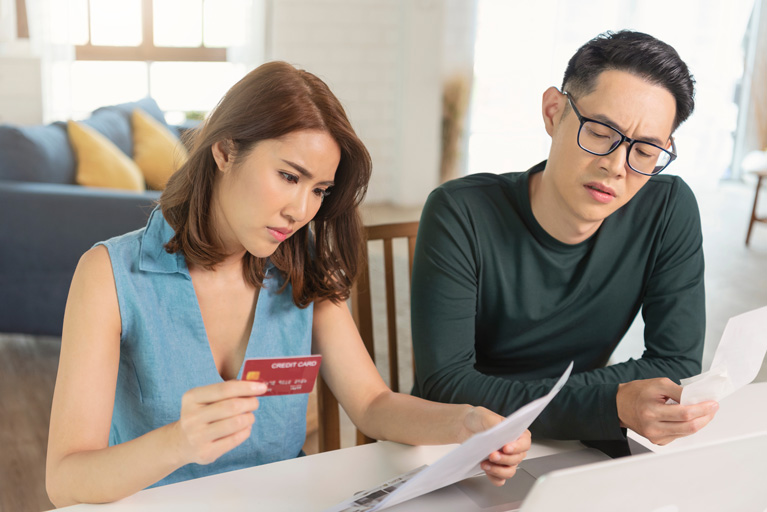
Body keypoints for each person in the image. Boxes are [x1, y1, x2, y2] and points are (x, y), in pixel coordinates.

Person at [45, 61, 531, 507]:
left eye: (318, 190)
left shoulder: (303, 271)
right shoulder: (110, 274)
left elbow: (372, 404)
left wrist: (466, 423)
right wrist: (176, 443)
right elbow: (65, 479)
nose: (300, 211)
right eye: (287, 176)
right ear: (225, 150)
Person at [410, 30, 720, 449]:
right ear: (554, 112)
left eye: (645, 152)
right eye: (599, 132)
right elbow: (445, 385)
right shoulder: (459, 211)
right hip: (467, 445)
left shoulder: (667, 208)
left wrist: (579, 404)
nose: (616, 166)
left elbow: (678, 363)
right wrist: (607, 402)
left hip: (575, 441)